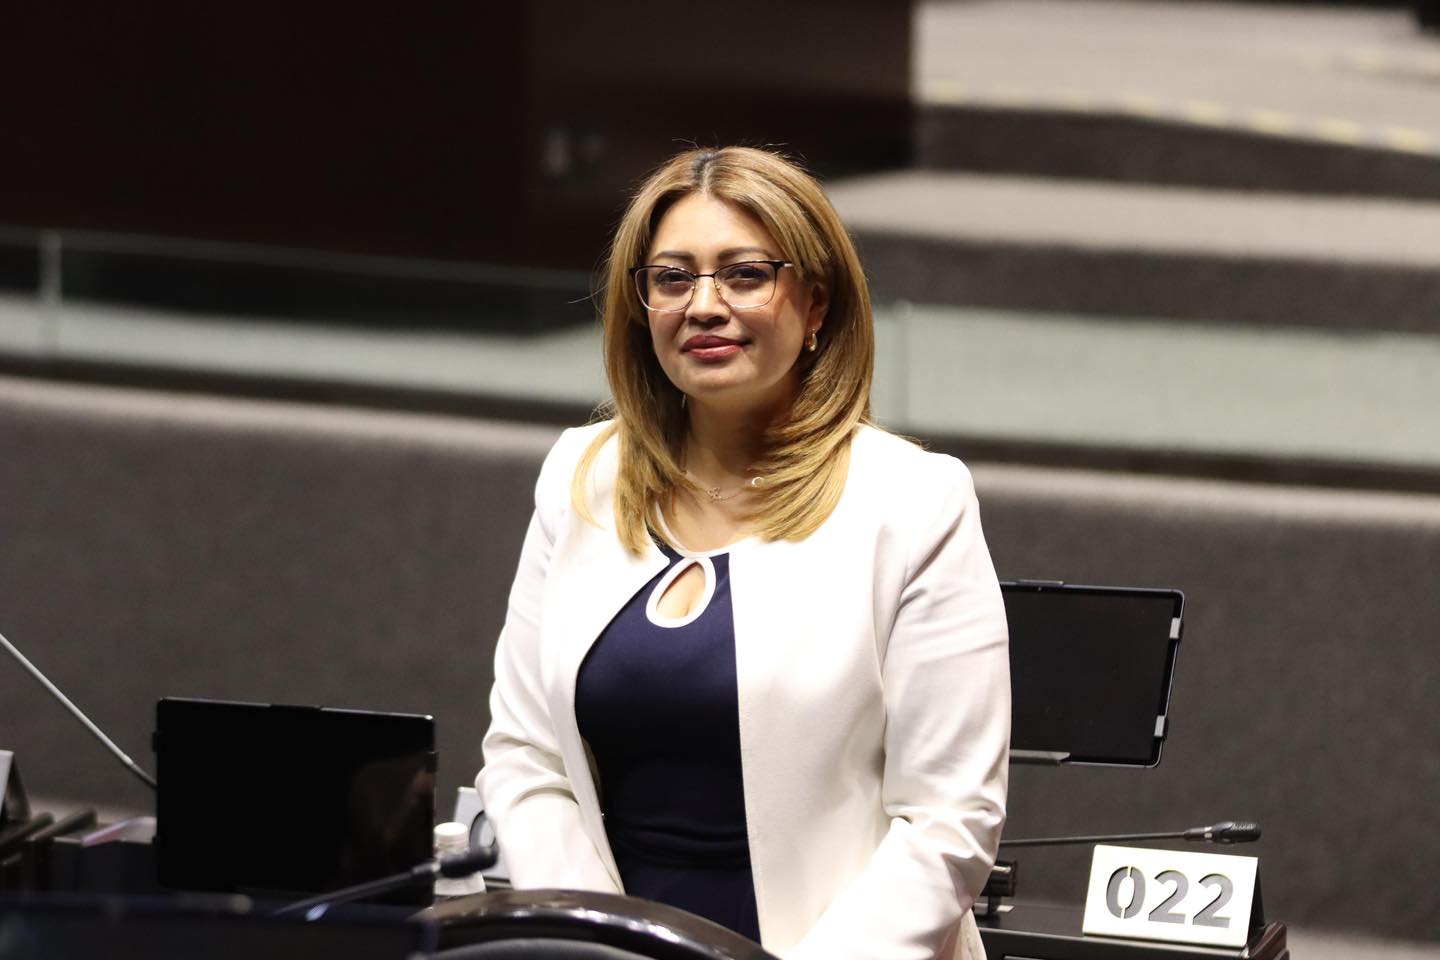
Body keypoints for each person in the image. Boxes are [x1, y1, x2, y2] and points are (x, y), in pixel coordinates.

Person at [477, 146, 1010, 960]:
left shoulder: (913, 501)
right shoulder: (580, 475)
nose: (704, 306)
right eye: (672, 278)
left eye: (745, 275)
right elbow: (526, 758)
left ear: (816, 302)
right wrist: (599, 947)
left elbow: (950, 821)